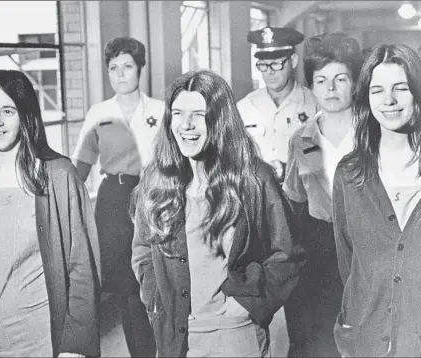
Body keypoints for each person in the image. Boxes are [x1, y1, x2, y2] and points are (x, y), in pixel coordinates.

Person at [130, 69, 306, 357]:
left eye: (199, 114)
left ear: (220, 120)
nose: (186, 125)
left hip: (236, 335)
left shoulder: (253, 178)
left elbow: (288, 254)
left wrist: (248, 302)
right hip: (176, 337)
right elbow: (142, 249)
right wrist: (156, 299)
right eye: (178, 113)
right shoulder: (156, 179)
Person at [0, 70, 101, 357]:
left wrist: (75, 346)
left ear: (26, 116)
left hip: (46, 335)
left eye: (8, 111)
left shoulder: (58, 175)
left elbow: (82, 265)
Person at [332, 43, 421, 357]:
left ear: (420, 97)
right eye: (377, 90)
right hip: (367, 342)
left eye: (401, 88)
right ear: (366, 100)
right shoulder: (350, 175)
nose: (389, 100)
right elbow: (351, 264)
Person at [72, 36, 162, 357]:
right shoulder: (99, 112)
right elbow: (79, 167)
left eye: (127, 66)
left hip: (155, 198)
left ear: (140, 69)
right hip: (113, 201)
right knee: (127, 288)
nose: (120, 74)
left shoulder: (161, 111)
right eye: (113, 67)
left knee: (158, 276)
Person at [282, 32, 364, 357]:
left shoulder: (373, 134)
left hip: (367, 246)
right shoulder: (301, 140)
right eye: (321, 80)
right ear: (311, 86)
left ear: (355, 82)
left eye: (340, 78)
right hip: (320, 250)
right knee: (321, 338)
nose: (330, 89)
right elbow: (293, 203)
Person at [237, 26, 318, 182]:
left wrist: (287, 169)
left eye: (276, 63)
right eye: (263, 65)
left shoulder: (314, 105)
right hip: (257, 196)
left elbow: (324, 158)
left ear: (293, 61)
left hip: (300, 197)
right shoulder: (244, 107)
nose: (269, 72)